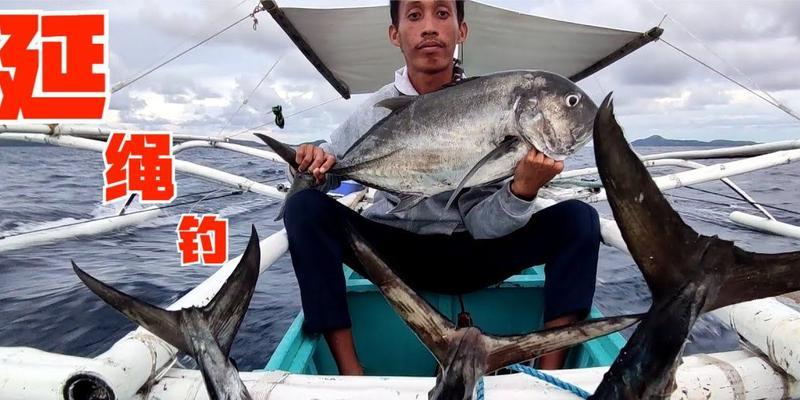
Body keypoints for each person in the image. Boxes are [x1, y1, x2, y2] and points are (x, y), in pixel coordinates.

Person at [282, 0, 600, 375]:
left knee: (580, 220)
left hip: (471, 253)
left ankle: (551, 373)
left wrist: (522, 191)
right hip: (391, 253)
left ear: (461, 31)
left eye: (442, 13)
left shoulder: (491, 107)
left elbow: (484, 225)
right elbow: (332, 170)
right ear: (395, 34)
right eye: (414, 15)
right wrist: (308, 163)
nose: (429, 27)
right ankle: (352, 374)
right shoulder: (377, 109)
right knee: (303, 207)